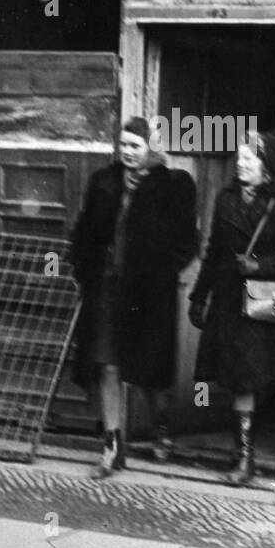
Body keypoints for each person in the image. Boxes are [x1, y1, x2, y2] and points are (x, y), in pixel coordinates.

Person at [69, 116, 198, 477]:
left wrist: (163, 272)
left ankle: (160, 423)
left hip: (147, 293)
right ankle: (112, 445)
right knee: (107, 364)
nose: (127, 152)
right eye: (123, 145)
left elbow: (188, 240)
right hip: (107, 289)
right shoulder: (103, 181)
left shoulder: (174, 185)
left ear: (151, 148)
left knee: (147, 373)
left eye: (135, 146)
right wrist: (83, 268)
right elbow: (84, 231)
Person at [188, 130, 275, 485]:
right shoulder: (226, 199)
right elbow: (212, 251)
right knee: (240, 378)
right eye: (238, 157)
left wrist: (259, 266)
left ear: (267, 166)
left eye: (249, 158)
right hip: (228, 300)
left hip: (264, 302)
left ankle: (245, 454)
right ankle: (244, 457)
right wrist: (199, 295)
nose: (240, 163)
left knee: (253, 378)